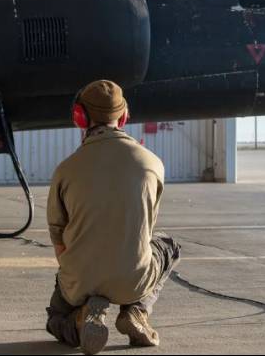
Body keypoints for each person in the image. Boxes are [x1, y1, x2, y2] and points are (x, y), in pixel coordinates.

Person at [45, 80, 181, 355]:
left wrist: (82, 276)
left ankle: (80, 320)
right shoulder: (152, 164)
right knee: (168, 246)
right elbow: (146, 229)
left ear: (80, 117)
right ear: (124, 116)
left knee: (55, 320)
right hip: (133, 280)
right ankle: (136, 310)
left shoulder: (65, 170)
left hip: (79, 282)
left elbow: (59, 242)